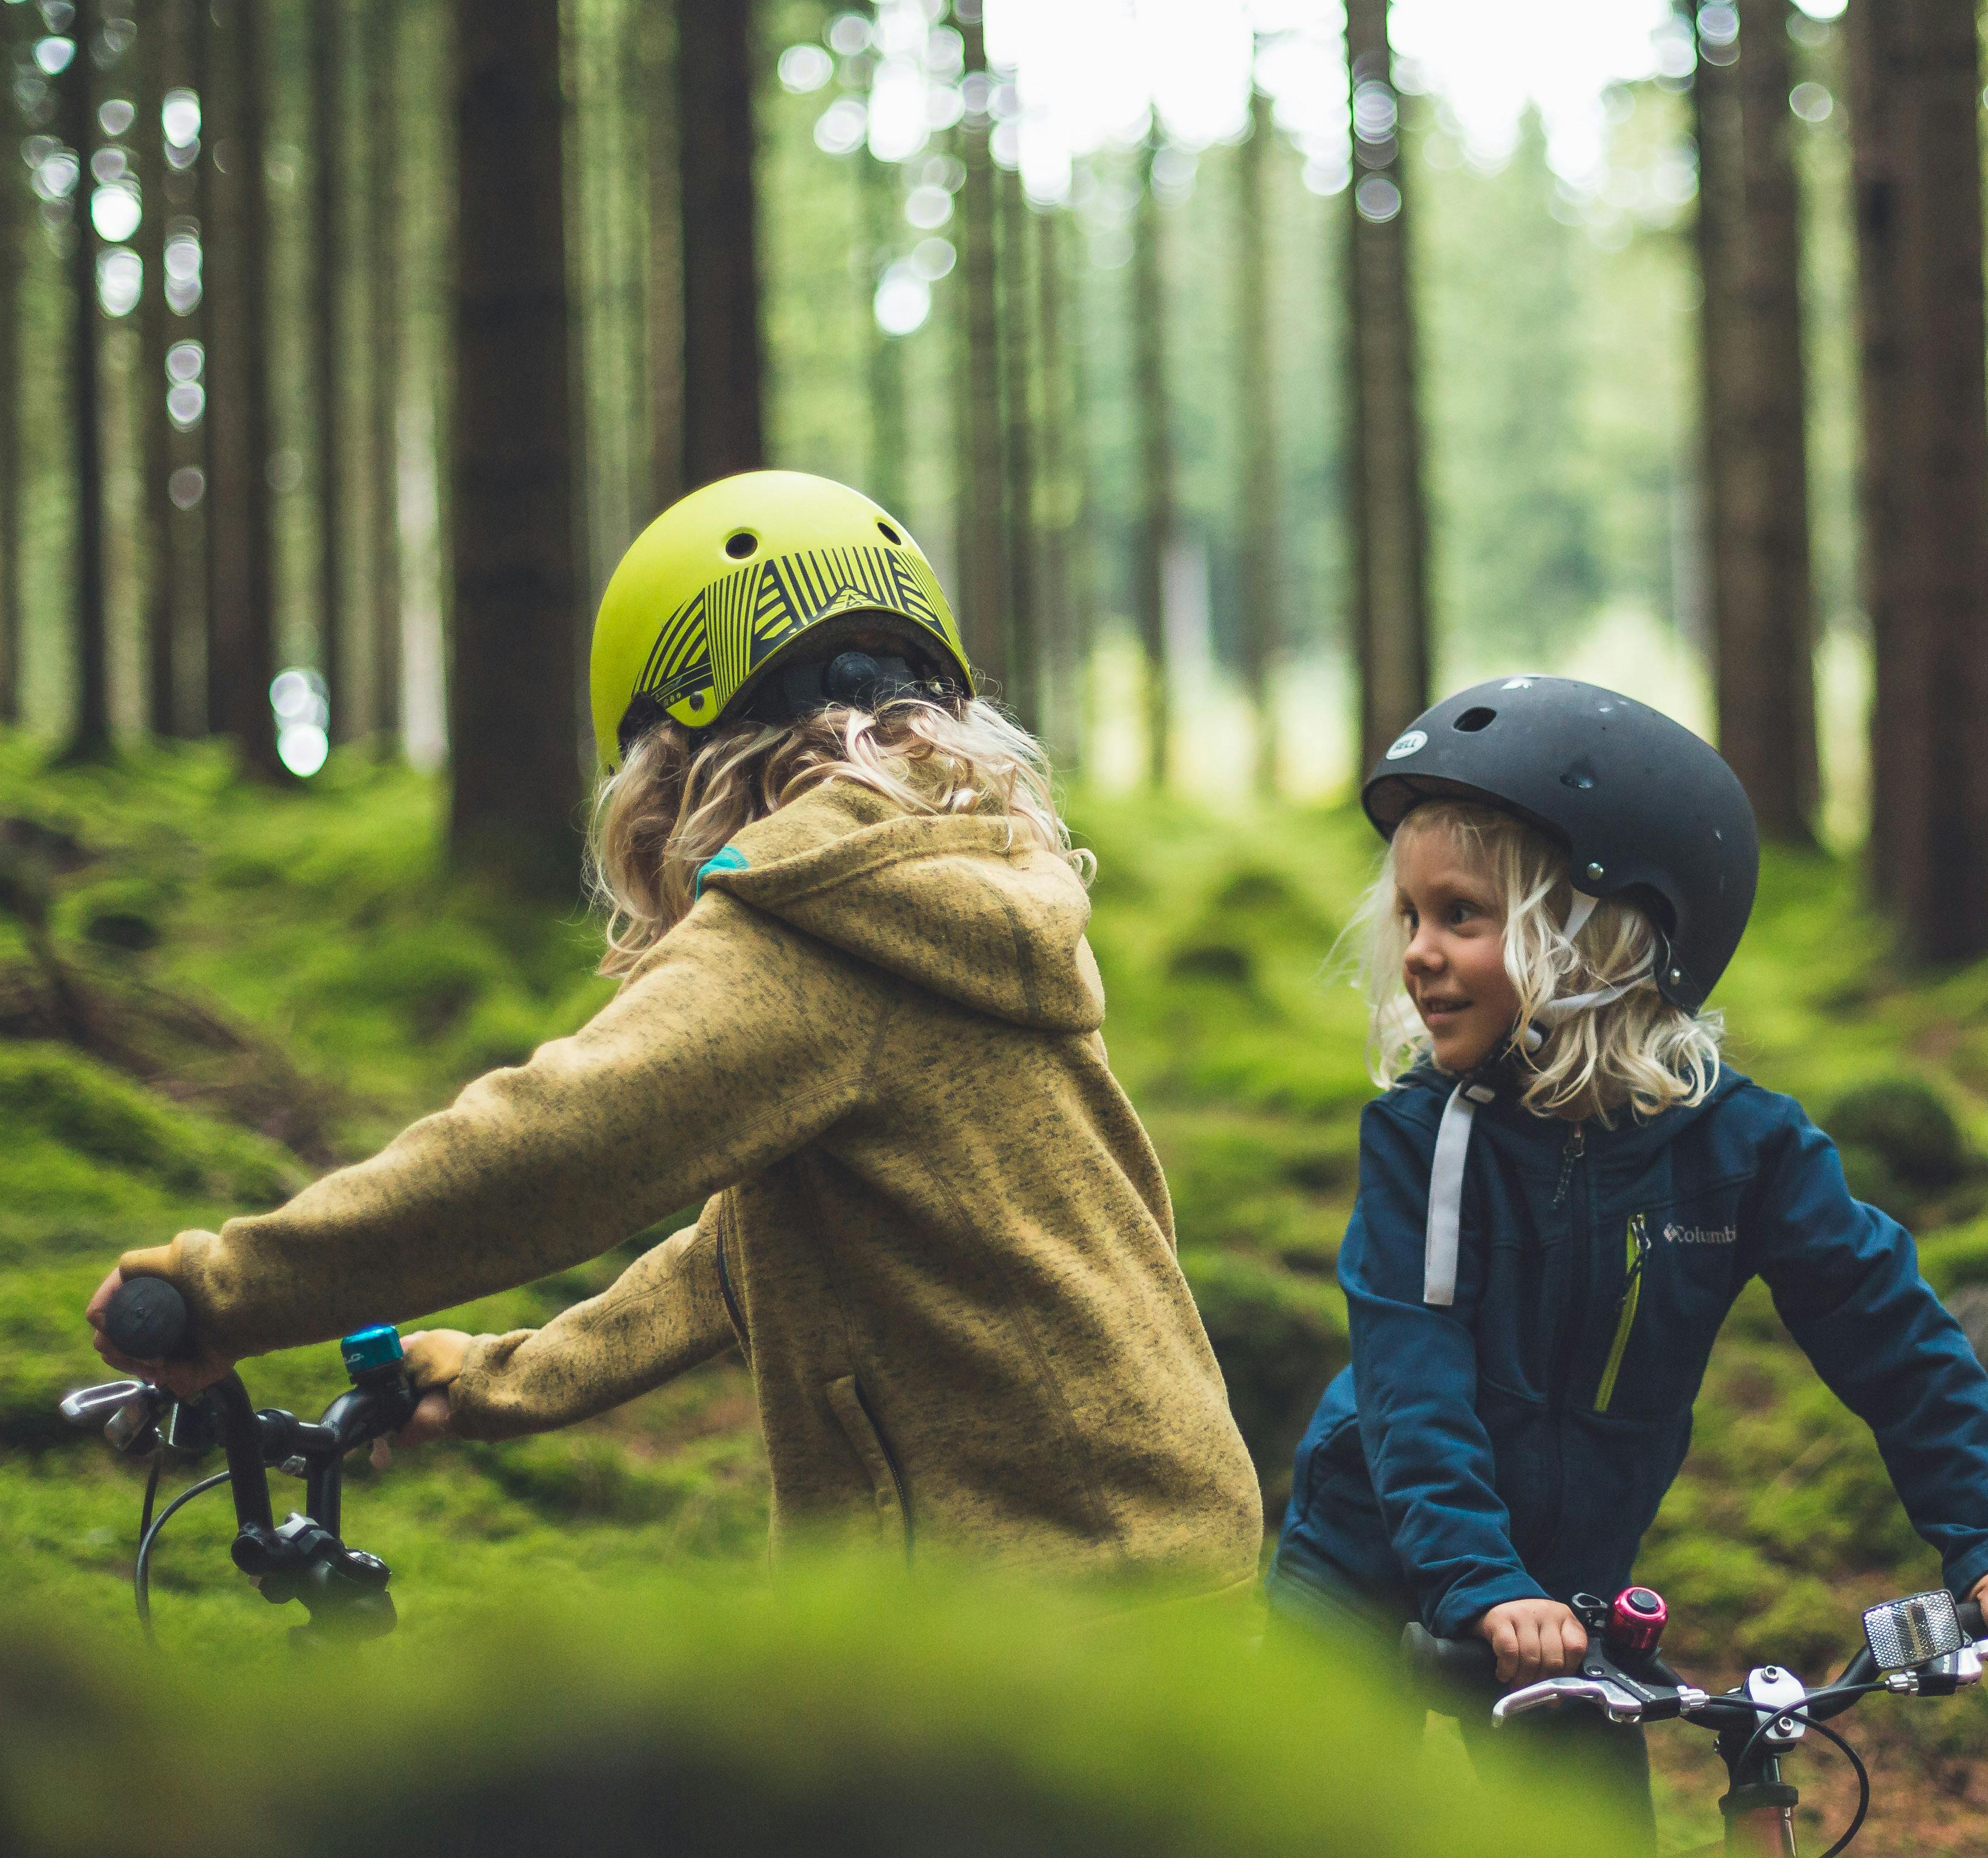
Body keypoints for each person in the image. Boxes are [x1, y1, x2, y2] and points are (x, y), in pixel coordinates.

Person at [90, 470, 1261, 1595]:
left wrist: (226, 1289)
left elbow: (553, 1146)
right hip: (1147, 1533)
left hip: (1043, 1593)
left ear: (671, 754)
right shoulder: (969, 887)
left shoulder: (809, 932)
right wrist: (499, 1375)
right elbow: (734, 1258)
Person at [1265, 675, 1988, 1818]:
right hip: (1374, 1558)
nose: (1418, 953)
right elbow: (1414, 1382)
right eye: (1408, 917)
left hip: (1569, 1606)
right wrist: (1481, 1582)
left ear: (1599, 935)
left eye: (1462, 916)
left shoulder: (1747, 1150)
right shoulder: (1426, 1137)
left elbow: (1897, 1339)